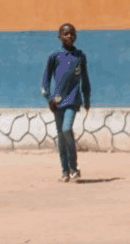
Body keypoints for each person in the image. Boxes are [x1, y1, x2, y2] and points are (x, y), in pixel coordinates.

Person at [41, 23, 91, 183]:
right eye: (65, 34)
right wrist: (49, 98)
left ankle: (74, 167)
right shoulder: (54, 56)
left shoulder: (80, 56)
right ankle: (65, 171)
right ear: (60, 37)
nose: (69, 36)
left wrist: (87, 97)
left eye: (72, 33)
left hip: (73, 100)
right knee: (61, 136)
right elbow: (45, 80)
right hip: (57, 102)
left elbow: (85, 79)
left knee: (66, 129)